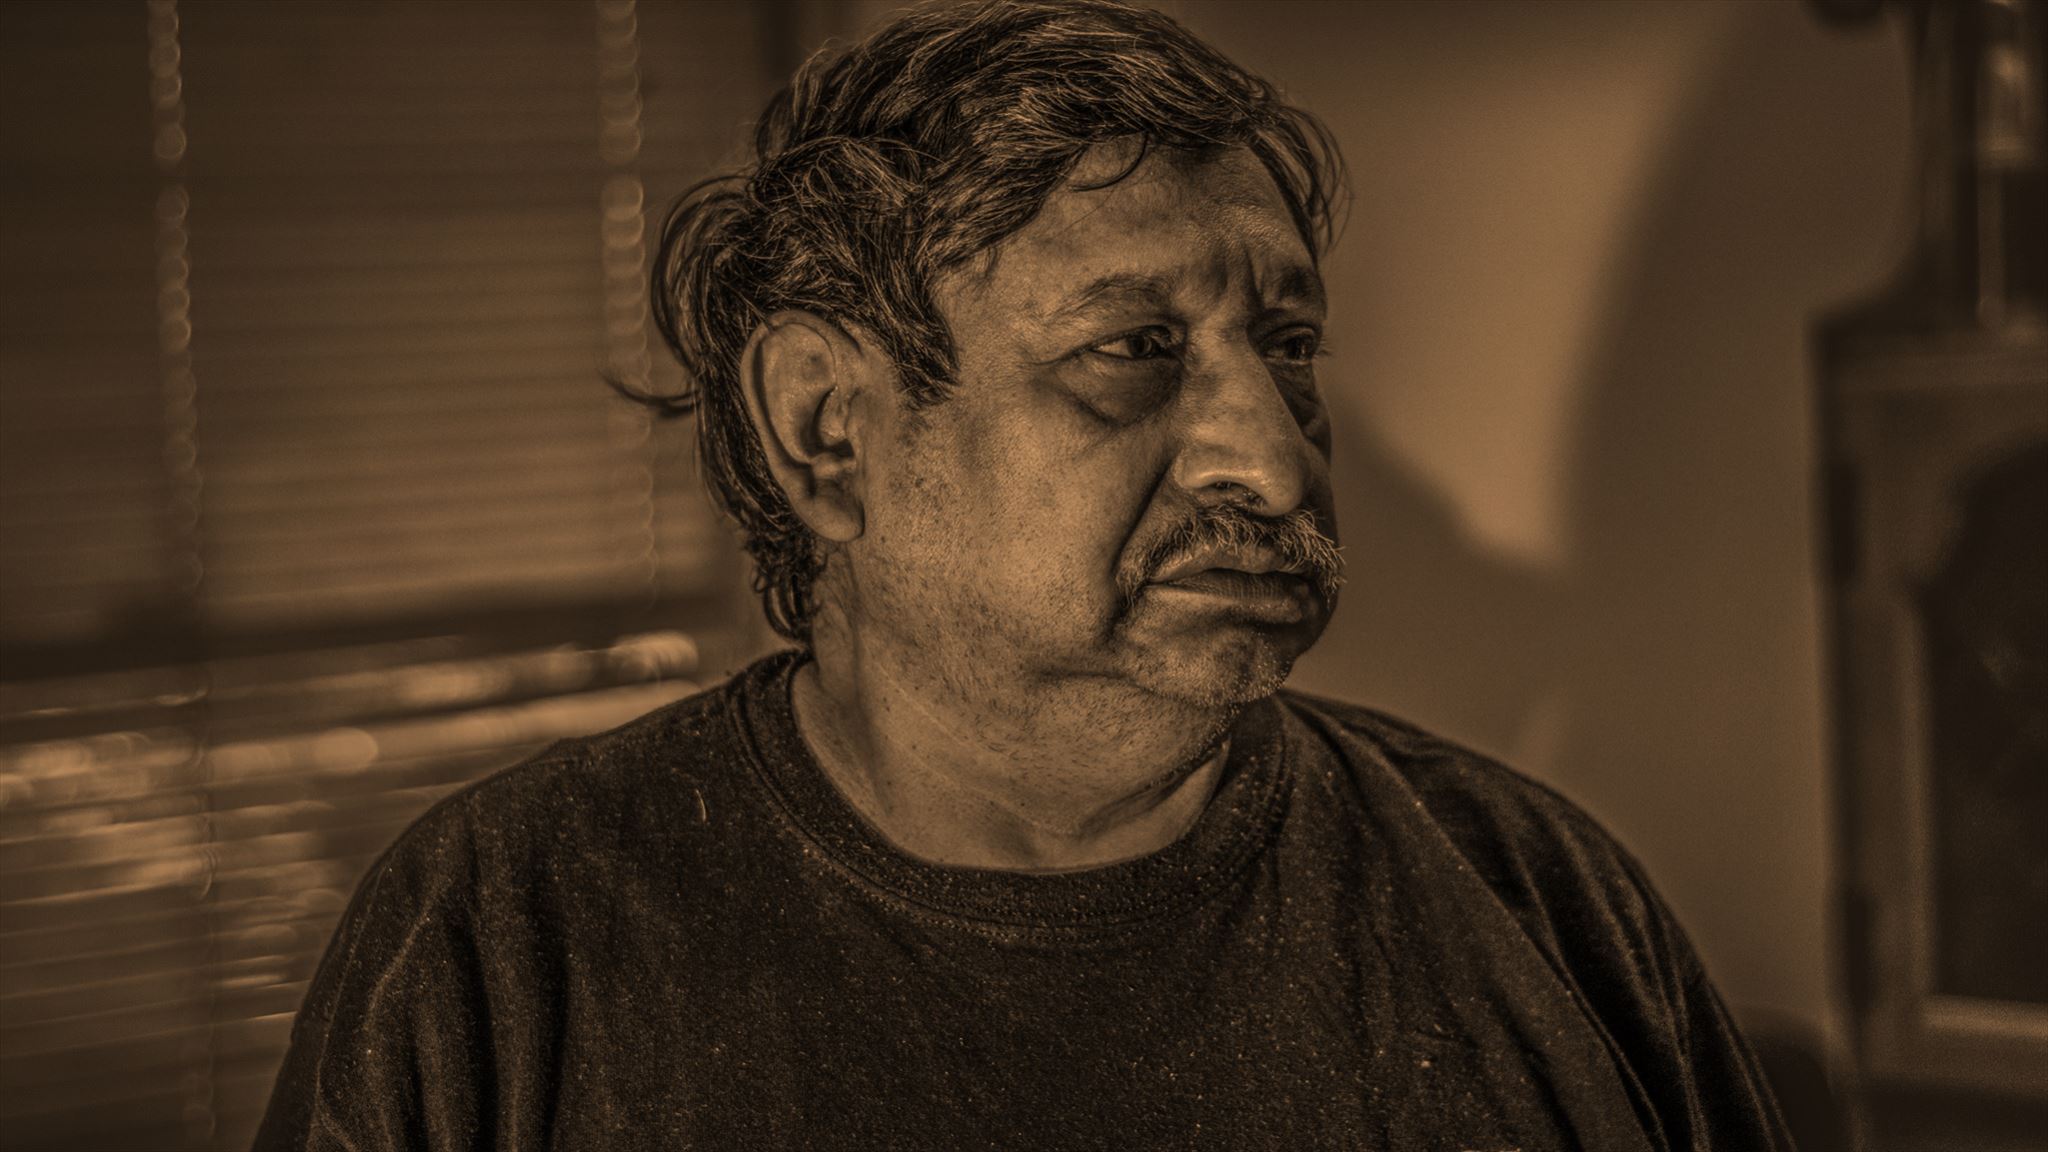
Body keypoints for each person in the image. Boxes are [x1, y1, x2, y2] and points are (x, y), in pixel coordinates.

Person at [255, 1, 1790, 1147]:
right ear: (828, 429)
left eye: (1289, 345)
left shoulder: (1542, 901)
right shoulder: (501, 950)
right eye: (1133, 350)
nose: (1274, 463)